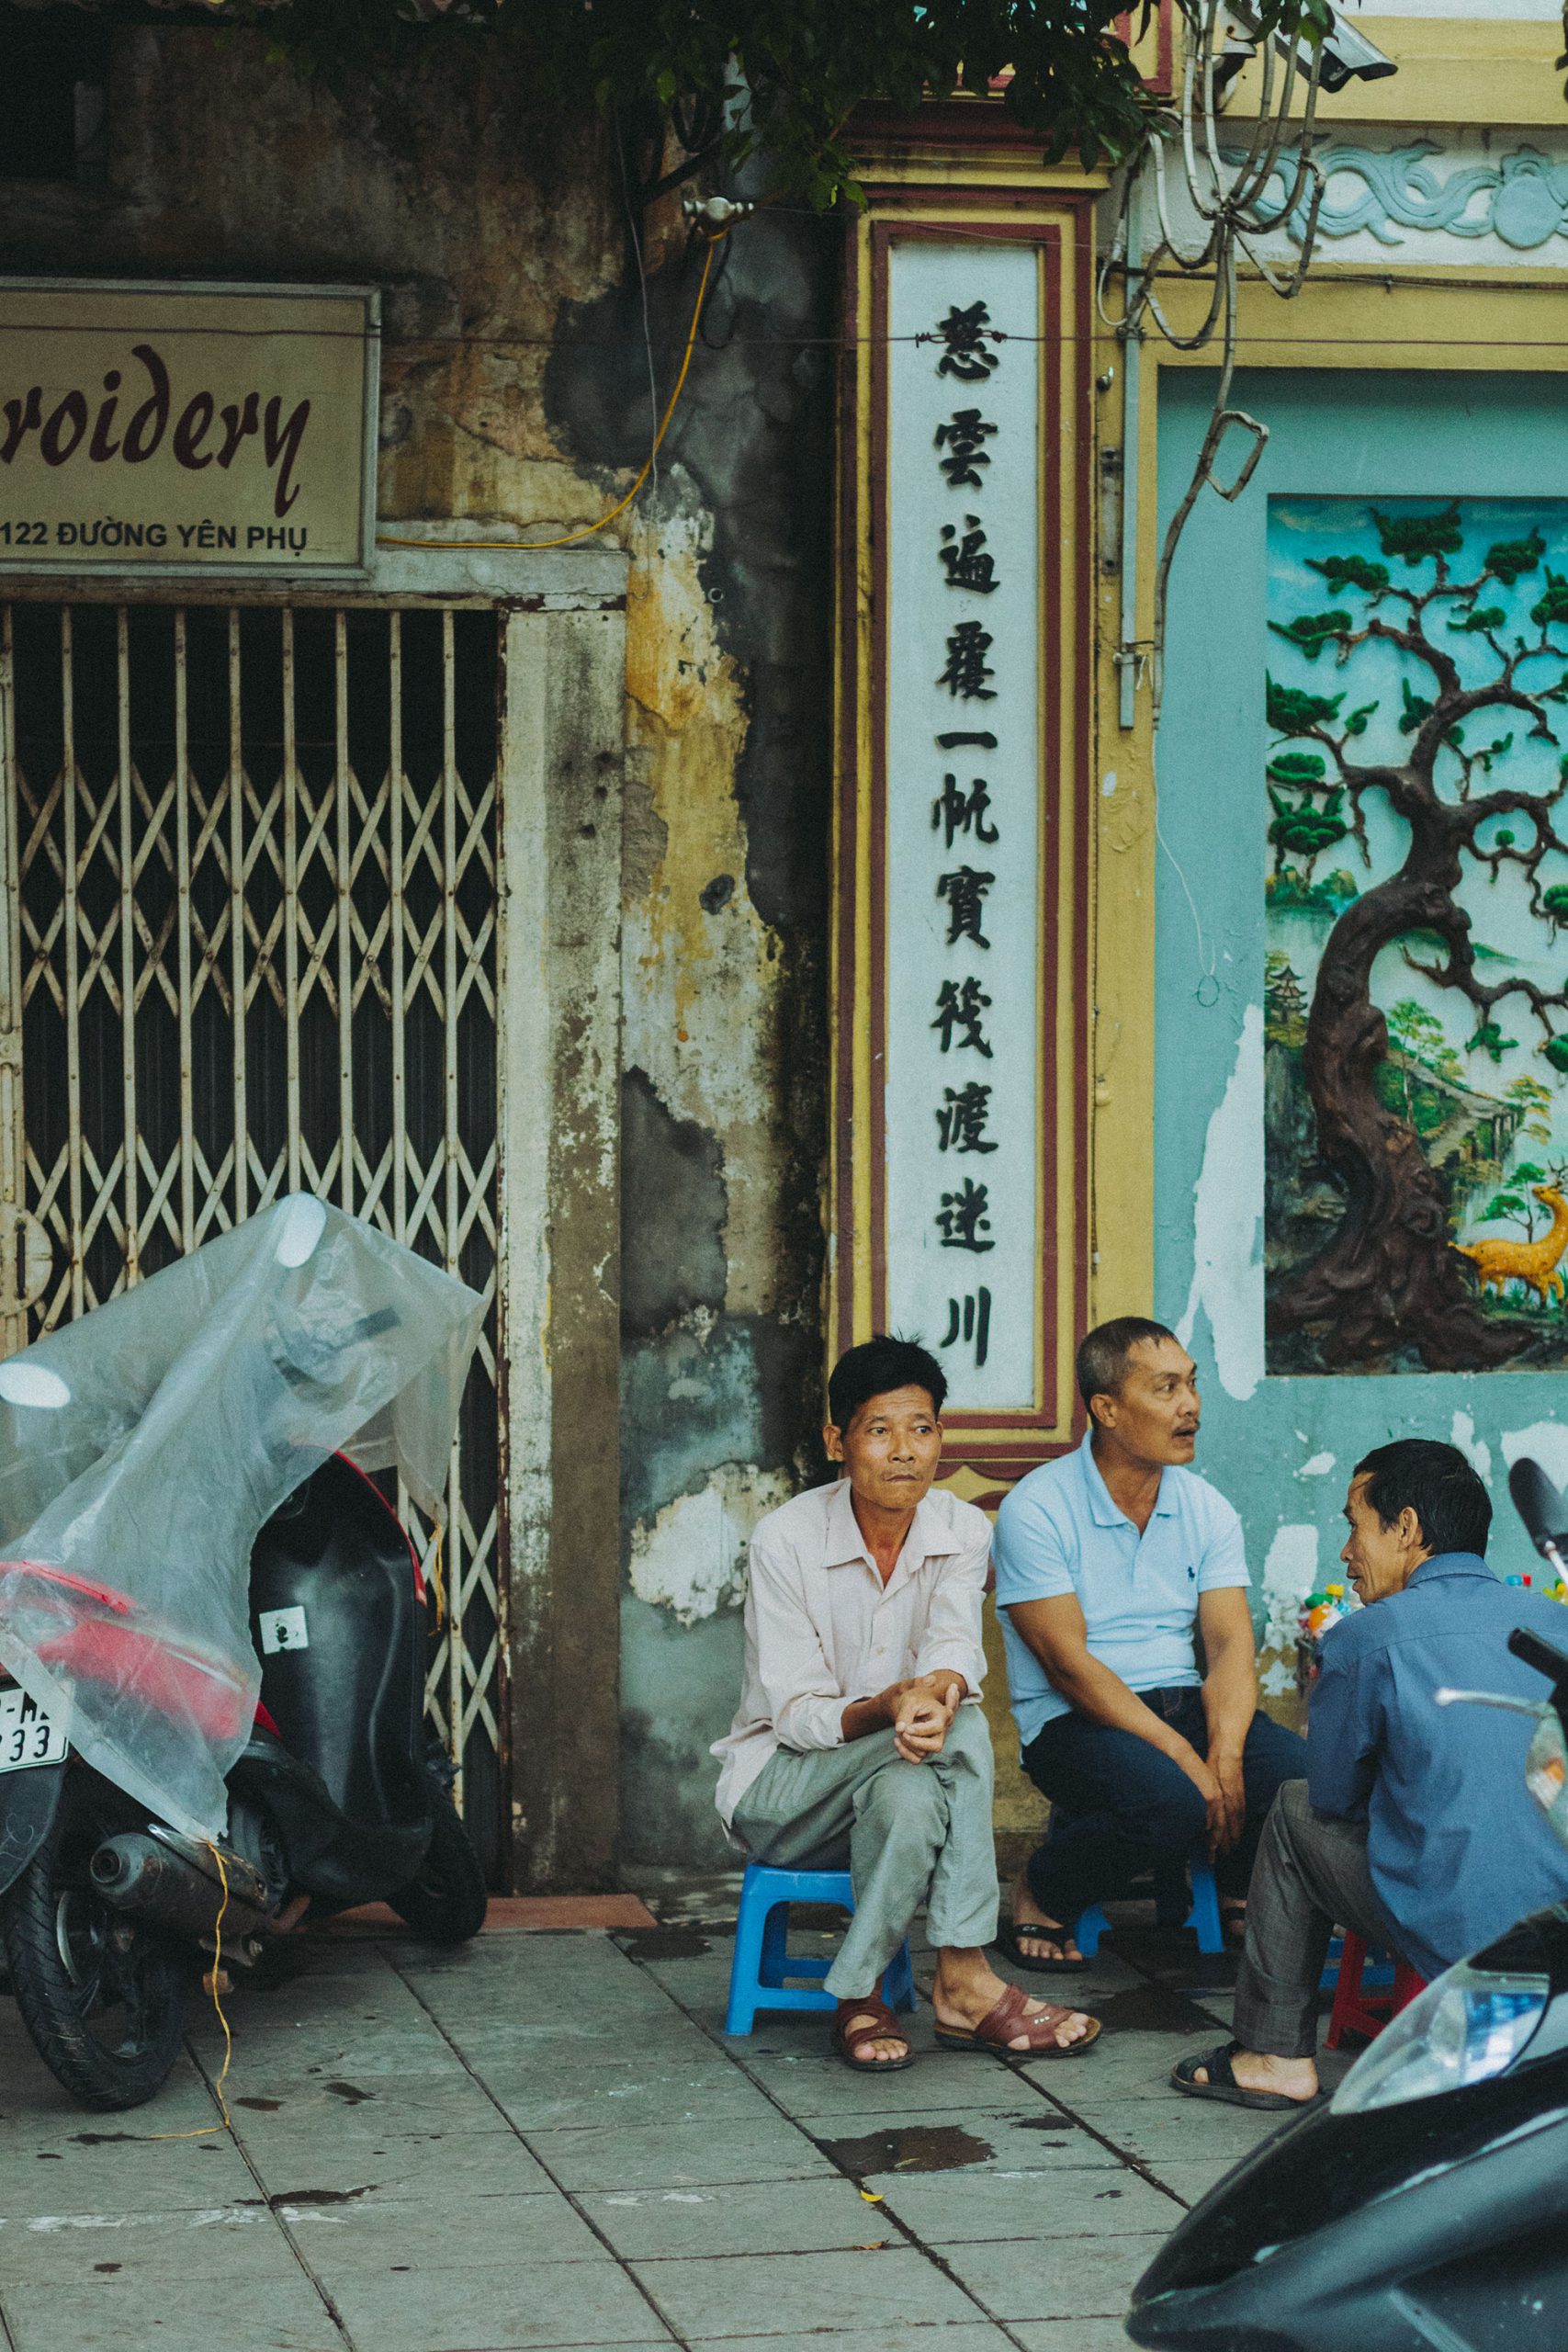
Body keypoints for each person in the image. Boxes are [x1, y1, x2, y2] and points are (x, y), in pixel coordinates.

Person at [712, 1334, 1100, 2073]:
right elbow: (795, 1715)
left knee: (914, 1790)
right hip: (785, 1792)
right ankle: (965, 1976)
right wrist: (892, 1704)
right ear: (838, 1440)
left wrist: (937, 1692)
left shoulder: (959, 1527)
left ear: (940, 1439)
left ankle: (859, 1998)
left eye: (921, 1429)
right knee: (962, 1737)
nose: (904, 1451)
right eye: (879, 1430)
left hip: (897, 1776)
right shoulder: (784, 1541)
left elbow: (954, 1645)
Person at [1175, 1438, 1568, 2109]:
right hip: (1556, 1919)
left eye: (1353, 1525)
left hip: (1461, 1921)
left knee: (1294, 1809)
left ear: (1407, 1528)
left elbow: (1333, 1795)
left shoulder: (1364, 1636)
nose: (1345, 1552)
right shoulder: (1553, 1620)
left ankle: (1273, 2053)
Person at [991, 1317, 1306, 1970]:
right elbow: (1068, 1668)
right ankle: (1043, 1890)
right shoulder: (1037, 1508)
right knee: (1170, 1801)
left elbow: (1227, 1647)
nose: (1189, 1404)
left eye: (1190, 1384)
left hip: (1180, 1702)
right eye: (1164, 1388)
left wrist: (1221, 1753)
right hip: (1072, 1721)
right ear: (1105, 1409)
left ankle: (1233, 1882)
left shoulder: (1204, 1507)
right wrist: (1190, 1765)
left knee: (1301, 1778)